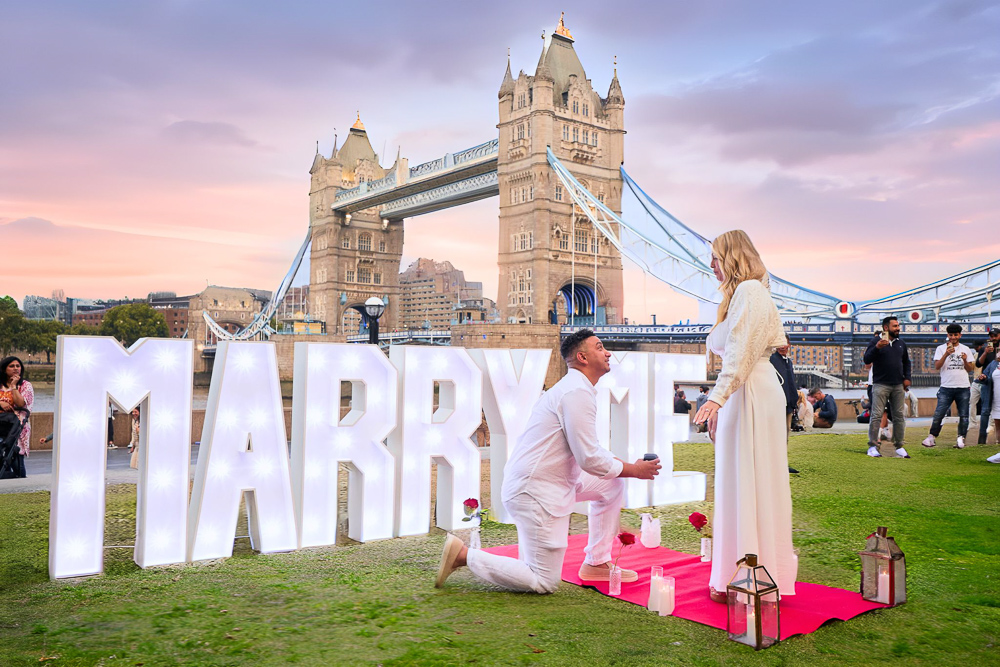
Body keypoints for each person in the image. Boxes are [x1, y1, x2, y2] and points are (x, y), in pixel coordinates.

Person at [435, 329, 662, 593]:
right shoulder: (575, 392)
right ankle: (463, 555)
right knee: (542, 580)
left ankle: (597, 563)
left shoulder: (575, 389)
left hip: (550, 483)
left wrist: (626, 469)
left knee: (611, 485)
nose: (608, 352)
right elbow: (589, 458)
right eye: (600, 347)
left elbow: (590, 451)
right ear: (582, 357)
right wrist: (634, 469)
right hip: (536, 493)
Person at [693, 230, 797, 602]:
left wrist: (717, 399)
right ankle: (734, 573)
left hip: (750, 391)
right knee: (738, 481)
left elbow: (740, 354)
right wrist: (722, 400)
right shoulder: (743, 295)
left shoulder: (750, 292)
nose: (711, 265)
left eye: (716, 257)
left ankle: (751, 577)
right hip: (742, 391)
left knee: (750, 481)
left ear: (733, 257)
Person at [863, 316, 912, 459]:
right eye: (895, 326)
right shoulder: (875, 341)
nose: (898, 328)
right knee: (876, 416)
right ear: (886, 328)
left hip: (898, 385)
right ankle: (873, 447)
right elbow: (867, 359)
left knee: (899, 416)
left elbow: (906, 362)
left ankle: (899, 447)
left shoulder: (901, 343)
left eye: (898, 325)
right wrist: (877, 347)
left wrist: (907, 378)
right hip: (880, 384)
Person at [922, 324, 974, 449]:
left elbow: (970, 369)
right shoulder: (940, 348)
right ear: (947, 335)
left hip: (963, 386)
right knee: (939, 413)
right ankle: (931, 437)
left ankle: (961, 438)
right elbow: (937, 366)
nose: (953, 337)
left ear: (960, 335)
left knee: (964, 415)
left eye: (956, 335)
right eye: (951, 335)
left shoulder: (966, 349)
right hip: (946, 386)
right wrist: (946, 354)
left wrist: (966, 360)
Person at [0, 356, 33, 478]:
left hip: (16, 429)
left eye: (18, 366)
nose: (15, 369)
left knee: (15, 459)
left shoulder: (25, 385)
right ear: (4, 369)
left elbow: (20, 403)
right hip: (1, 426)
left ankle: (19, 483)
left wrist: (14, 386)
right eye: (11, 366)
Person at [769, 335, 797, 431]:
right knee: (776, 431)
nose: (782, 346)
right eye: (780, 343)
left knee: (786, 431)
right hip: (776, 403)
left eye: (785, 343)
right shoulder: (771, 360)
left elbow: (791, 383)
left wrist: (794, 402)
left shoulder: (789, 362)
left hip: (789, 404)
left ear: (789, 345)